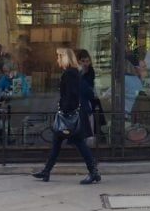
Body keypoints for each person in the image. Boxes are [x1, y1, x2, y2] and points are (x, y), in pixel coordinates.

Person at [31, 47, 101, 185]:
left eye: (58, 57)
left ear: (64, 58)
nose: (57, 60)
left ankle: (93, 172)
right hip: (70, 114)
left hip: (69, 116)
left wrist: (65, 111)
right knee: (57, 143)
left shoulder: (70, 73)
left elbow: (71, 95)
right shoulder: (72, 72)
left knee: (79, 143)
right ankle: (46, 170)